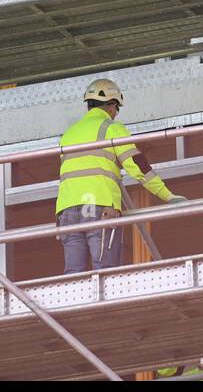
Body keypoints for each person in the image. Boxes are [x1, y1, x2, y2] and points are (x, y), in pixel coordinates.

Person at [54, 77, 185, 274]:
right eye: (116, 110)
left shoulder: (68, 134)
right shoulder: (111, 128)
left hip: (67, 212)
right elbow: (138, 167)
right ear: (111, 106)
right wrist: (168, 195)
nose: (115, 114)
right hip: (100, 208)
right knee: (106, 274)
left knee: (74, 276)